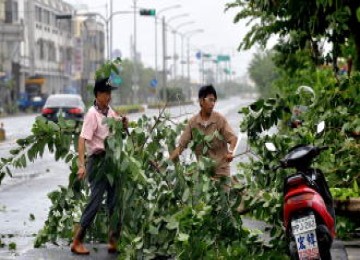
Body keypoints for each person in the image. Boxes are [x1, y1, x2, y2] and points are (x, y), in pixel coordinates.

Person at [71, 77, 128, 255]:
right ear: (98, 94)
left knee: (114, 201)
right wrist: (81, 165)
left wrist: (124, 124)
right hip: (97, 163)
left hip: (112, 162)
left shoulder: (110, 112)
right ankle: (77, 240)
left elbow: (119, 134)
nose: (109, 96)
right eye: (106, 93)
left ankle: (113, 240)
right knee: (95, 202)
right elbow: (82, 140)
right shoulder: (92, 114)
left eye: (110, 93)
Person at [169, 84, 238, 185]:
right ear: (201, 101)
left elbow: (233, 138)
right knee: (202, 200)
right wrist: (166, 162)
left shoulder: (219, 119)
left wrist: (230, 152)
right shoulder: (193, 123)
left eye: (214, 101)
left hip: (221, 172)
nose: (213, 103)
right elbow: (181, 146)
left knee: (221, 199)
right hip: (203, 174)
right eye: (210, 100)